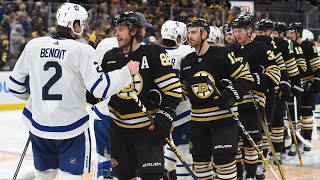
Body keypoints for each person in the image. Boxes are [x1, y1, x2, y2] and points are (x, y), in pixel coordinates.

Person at [8, 3, 140, 180]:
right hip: (72, 130)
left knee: (43, 176)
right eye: (82, 23)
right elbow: (100, 88)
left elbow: (15, 86)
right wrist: (126, 72)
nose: (84, 27)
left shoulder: (34, 45)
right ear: (74, 24)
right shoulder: (82, 50)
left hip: (39, 128)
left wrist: (38, 100)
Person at [100, 11, 182, 180]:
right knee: (123, 176)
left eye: (121, 29)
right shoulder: (110, 57)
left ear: (133, 31)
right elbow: (98, 92)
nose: (116, 33)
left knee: (152, 176)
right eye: (117, 29)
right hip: (119, 130)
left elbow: (174, 91)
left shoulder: (153, 53)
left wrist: (165, 115)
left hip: (147, 130)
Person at [180, 18, 254, 179]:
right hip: (199, 124)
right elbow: (184, 92)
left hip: (223, 122)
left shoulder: (223, 54)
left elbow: (246, 78)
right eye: (189, 32)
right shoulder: (187, 61)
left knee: (224, 161)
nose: (190, 36)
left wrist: (231, 94)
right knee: (200, 164)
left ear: (205, 34)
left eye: (194, 32)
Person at [91, 11, 154, 180]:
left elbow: (95, 80)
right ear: (135, 30)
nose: (144, 33)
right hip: (119, 115)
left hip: (102, 112)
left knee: (106, 162)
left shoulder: (105, 44)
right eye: (143, 29)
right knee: (134, 164)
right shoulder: (134, 49)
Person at [229, 14, 281, 179]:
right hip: (234, 104)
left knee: (251, 143)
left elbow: (275, 75)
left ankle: (251, 175)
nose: (237, 34)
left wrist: (255, 79)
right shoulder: (229, 51)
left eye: (240, 30)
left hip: (253, 103)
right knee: (234, 145)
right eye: (234, 30)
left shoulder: (262, 49)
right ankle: (239, 175)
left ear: (249, 30)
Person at [160, 19, 194, 180]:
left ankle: (166, 170)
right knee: (184, 150)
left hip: (160, 109)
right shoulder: (185, 53)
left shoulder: (154, 53)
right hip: (182, 108)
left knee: (169, 146)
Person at [287, 22, 320, 152]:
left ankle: (306, 140)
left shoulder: (308, 46)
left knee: (306, 114)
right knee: (295, 115)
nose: (289, 34)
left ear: (298, 33)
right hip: (294, 85)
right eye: (288, 32)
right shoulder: (289, 46)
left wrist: (316, 81)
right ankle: (296, 141)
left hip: (307, 85)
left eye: (291, 32)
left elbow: (316, 66)